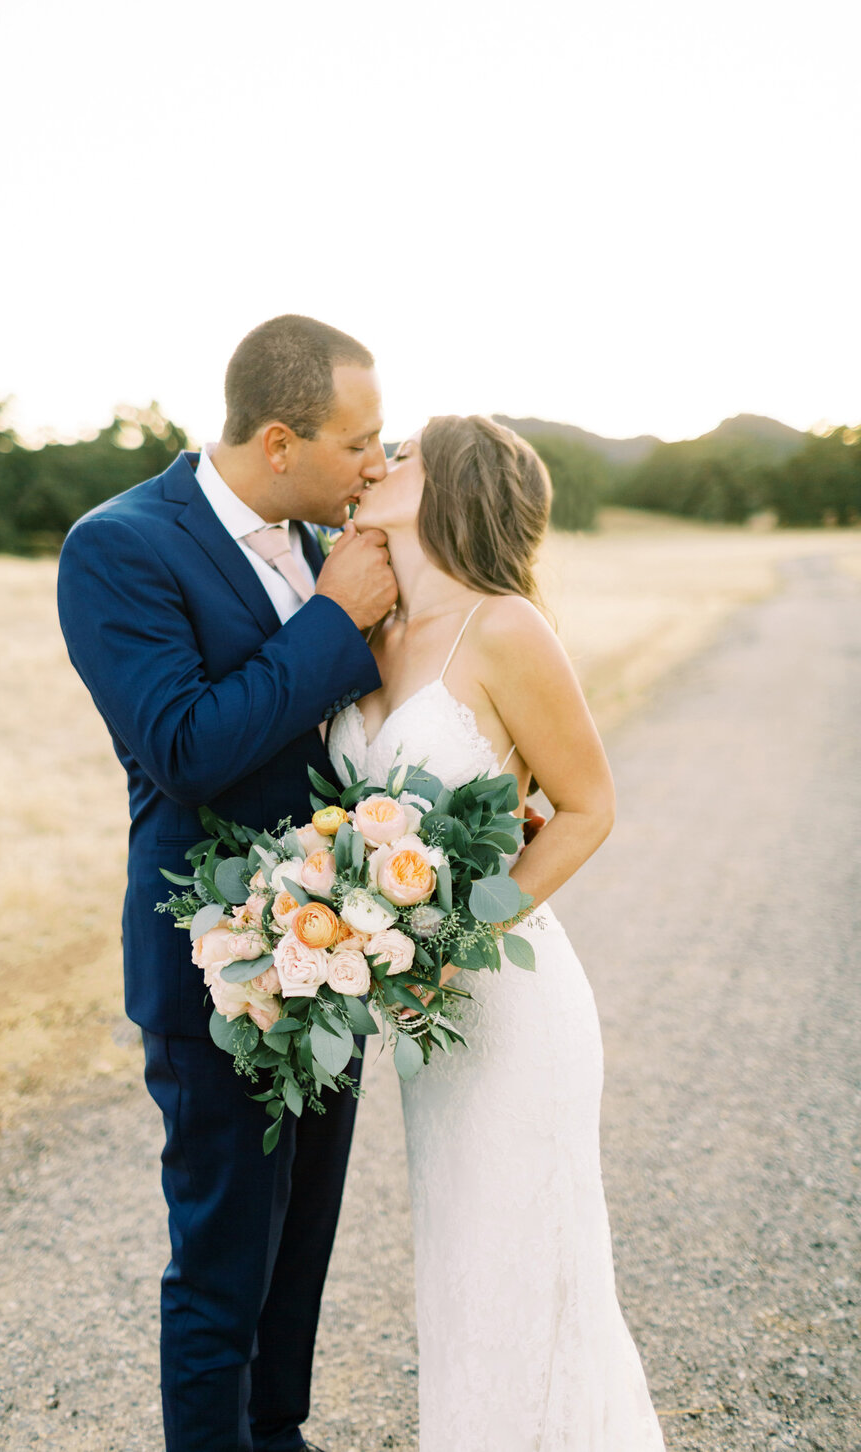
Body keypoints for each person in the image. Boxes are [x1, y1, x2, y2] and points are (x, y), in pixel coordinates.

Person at [57, 315, 397, 1452]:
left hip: (334, 954)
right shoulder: (118, 546)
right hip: (214, 967)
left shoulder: (324, 533)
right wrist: (333, 618)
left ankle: (280, 1434)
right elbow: (187, 745)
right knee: (222, 1261)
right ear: (279, 437)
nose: (377, 467)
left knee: (300, 1246)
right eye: (362, 442)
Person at [337, 415, 666, 1450]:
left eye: (407, 454)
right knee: (463, 1264)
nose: (382, 465)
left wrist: (456, 939)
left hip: (509, 998)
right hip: (430, 1026)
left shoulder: (505, 627)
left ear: (455, 487)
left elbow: (586, 806)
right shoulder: (368, 631)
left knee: (527, 1253)